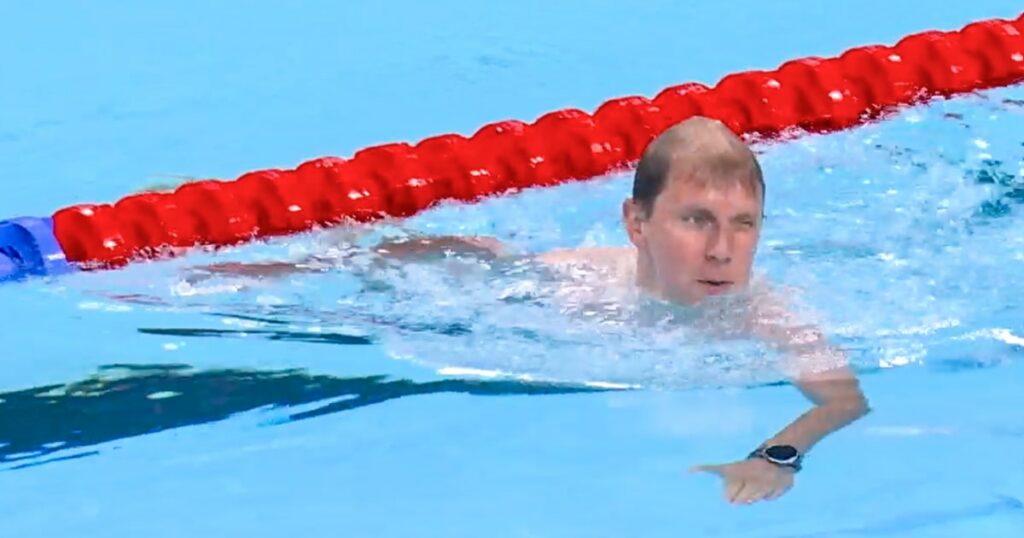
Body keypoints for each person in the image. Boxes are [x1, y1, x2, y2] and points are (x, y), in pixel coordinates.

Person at [197, 116, 870, 505]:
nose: (724, 251)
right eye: (697, 220)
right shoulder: (576, 282)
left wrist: (777, 457)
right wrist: (282, 264)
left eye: (744, 224)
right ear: (636, 223)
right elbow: (461, 255)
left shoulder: (764, 315)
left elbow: (841, 401)